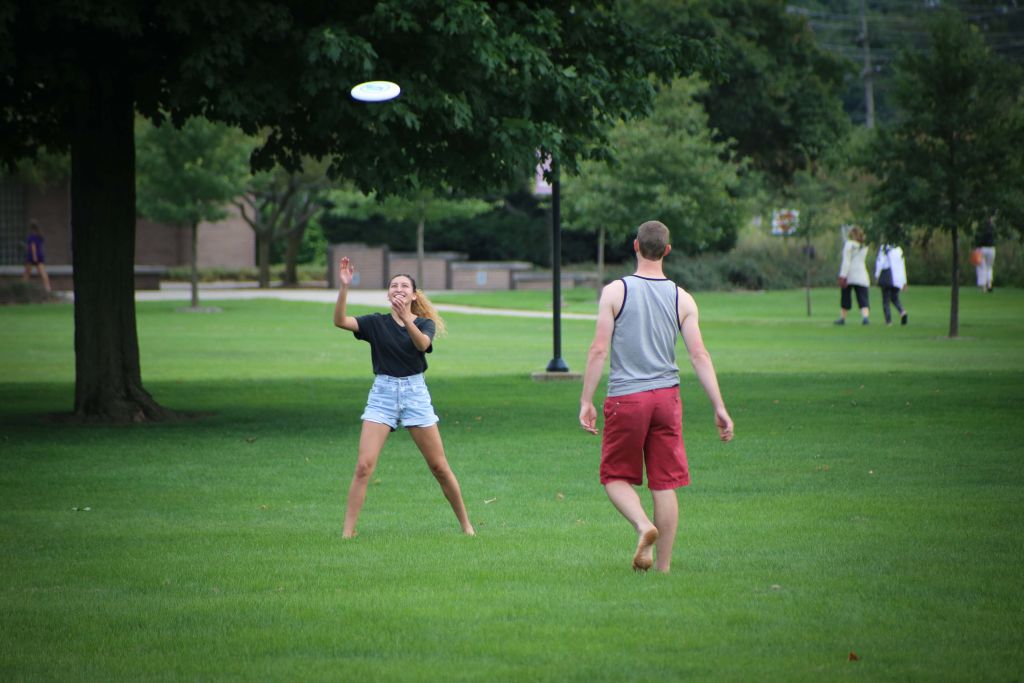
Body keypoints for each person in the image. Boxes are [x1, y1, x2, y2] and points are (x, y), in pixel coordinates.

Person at [579, 221, 733, 573]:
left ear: (635, 245)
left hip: (627, 400)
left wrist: (586, 401)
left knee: (614, 477)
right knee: (664, 483)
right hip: (667, 399)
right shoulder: (683, 298)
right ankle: (663, 568)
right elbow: (699, 356)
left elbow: (599, 349)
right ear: (667, 250)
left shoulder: (615, 292)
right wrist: (719, 407)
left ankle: (642, 525)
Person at [333, 257, 475, 538]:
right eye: (394, 285)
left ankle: (467, 526)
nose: (398, 289)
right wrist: (344, 287)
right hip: (382, 395)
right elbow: (339, 321)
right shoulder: (375, 323)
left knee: (439, 466)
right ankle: (347, 533)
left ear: (413, 295)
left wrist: (407, 317)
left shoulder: (425, 323)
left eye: (404, 286)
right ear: (388, 294)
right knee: (363, 466)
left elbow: (422, 344)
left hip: (415, 394)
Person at [835, 226, 870, 326]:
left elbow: (846, 261)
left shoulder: (849, 244)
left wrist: (842, 275)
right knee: (862, 297)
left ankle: (842, 318)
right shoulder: (864, 246)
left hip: (850, 274)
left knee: (845, 297)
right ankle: (865, 317)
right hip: (862, 274)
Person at [874, 241, 908, 326]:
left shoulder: (885, 248)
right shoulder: (898, 249)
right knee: (894, 298)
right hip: (898, 277)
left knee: (886, 300)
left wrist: (877, 275)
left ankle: (888, 320)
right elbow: (902, 265)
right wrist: (904, 281)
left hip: (887, 276)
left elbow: (880, 262)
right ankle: (902, 312)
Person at [22, 220, 51, 292]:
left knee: (26, 273)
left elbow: (33, 247)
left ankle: (23, 288)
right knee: (43, 273)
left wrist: (34, 257)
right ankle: (48, 288)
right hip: (39, 256)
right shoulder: (39, 236)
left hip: (32, 257)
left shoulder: (32, 237)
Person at [975, 215, 996, 293]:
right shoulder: (992, 229)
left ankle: (983, 287)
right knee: (989, 267)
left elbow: (979, 239)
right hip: (992, 249)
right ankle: (989, 284)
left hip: (982, 249)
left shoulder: (981, 229)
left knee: (981, 267)